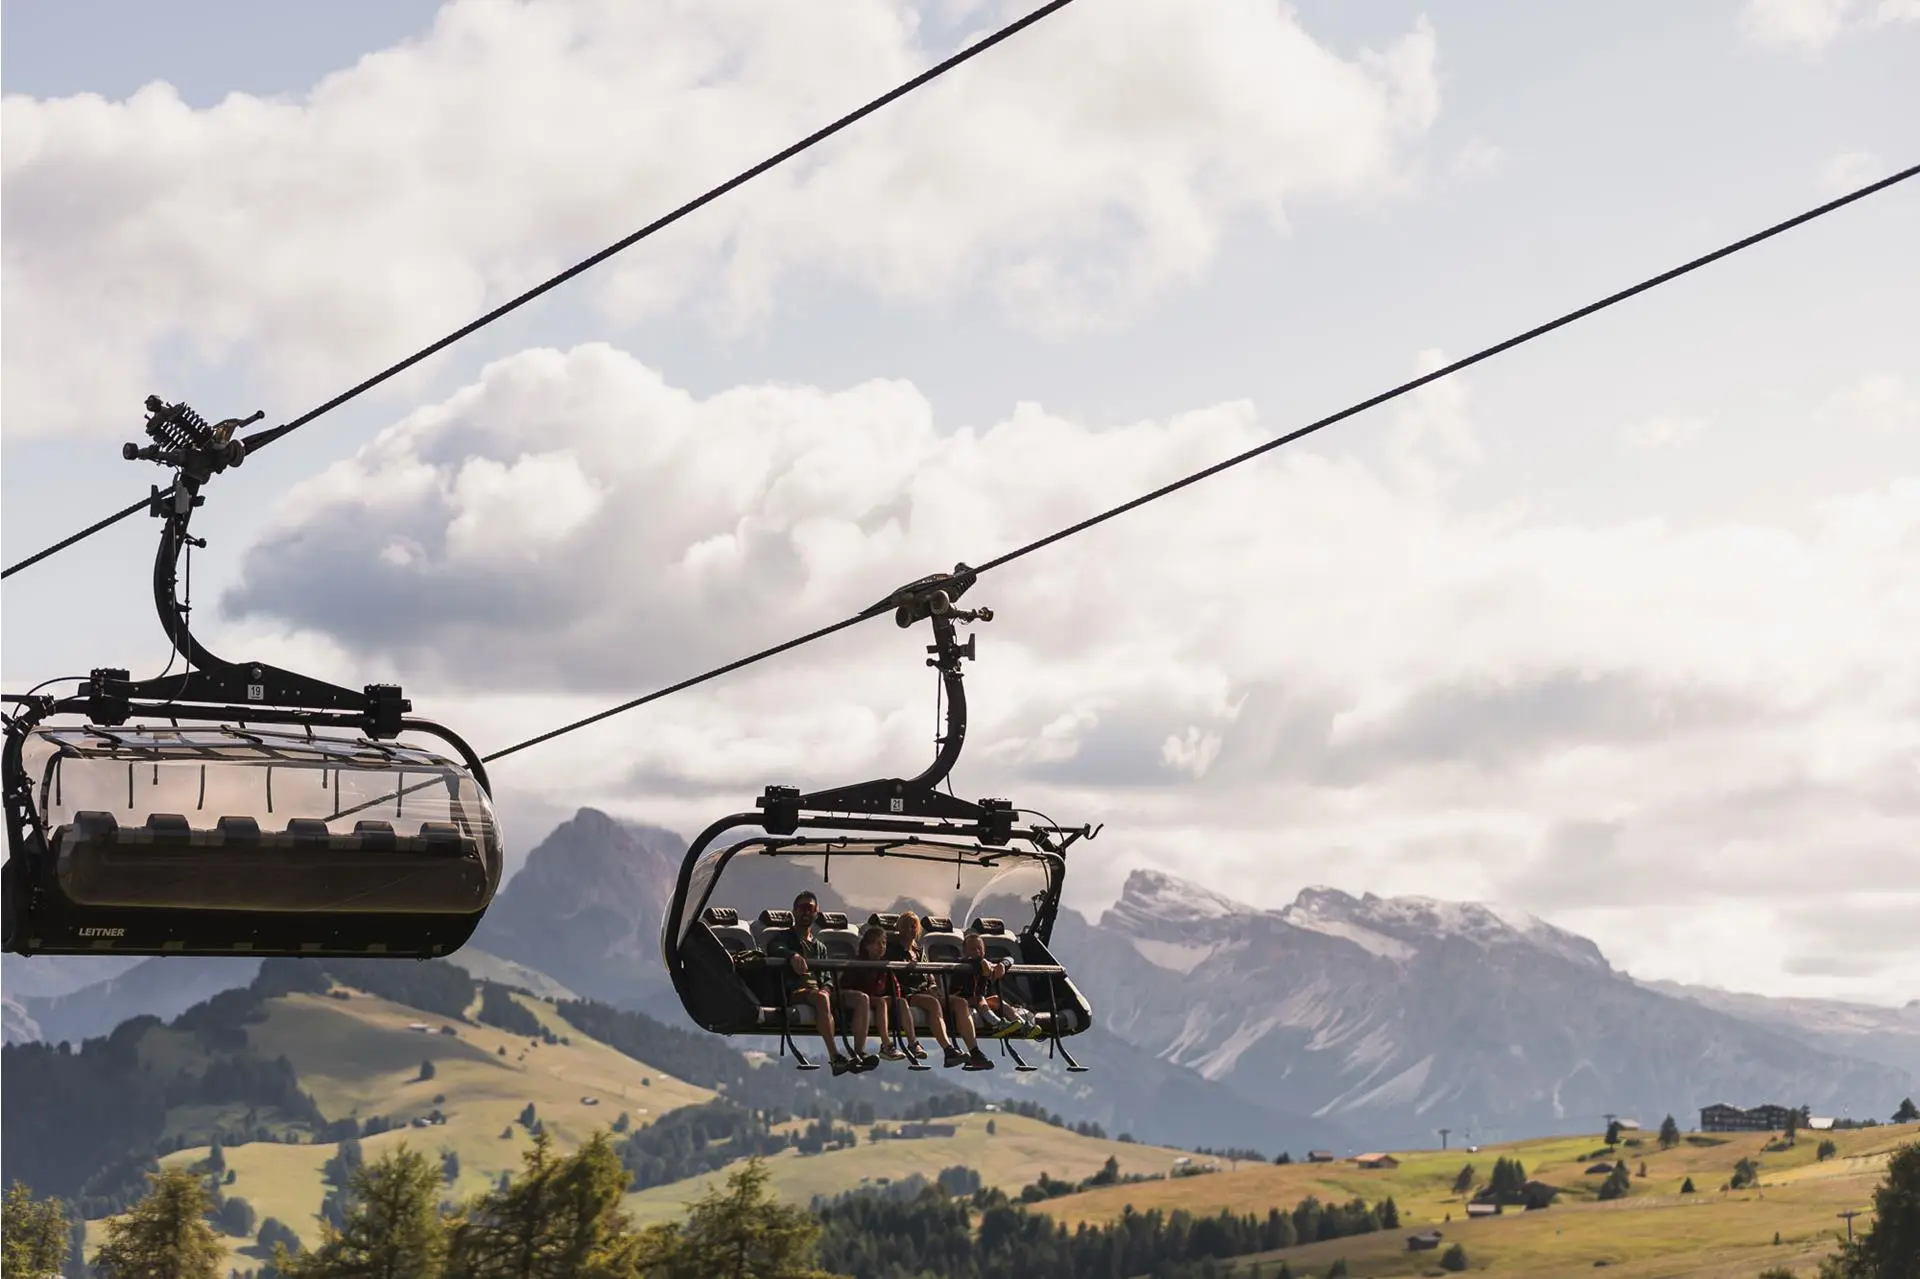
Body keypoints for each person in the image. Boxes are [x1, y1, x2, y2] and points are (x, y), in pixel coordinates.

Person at [763, 891, 871, 1075]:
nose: (806, 912)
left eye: (810, 909)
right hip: (796, 991)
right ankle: (835, 1057)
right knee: (821, 998)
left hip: (819, 991)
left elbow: (827, 975)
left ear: (816, 913)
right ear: (795, 912)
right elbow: (774, 947)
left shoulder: (820, 947)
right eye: (802, 908)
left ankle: (859, 1053)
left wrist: (827, 988)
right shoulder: (784, 938)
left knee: (862, 999)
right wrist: (792, 956)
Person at [886, 911, 970, 1069]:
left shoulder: (919, 952)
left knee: (959, 1002)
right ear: (900, 928)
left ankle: (973, 1051)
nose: (911, 930)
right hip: (908, 993)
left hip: (925, 991)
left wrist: (933, 987)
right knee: (932, 1003)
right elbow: (892, 978)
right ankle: (948, 1050)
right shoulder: (892, 951)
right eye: (907, 926)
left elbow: (928, 974)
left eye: (914, 927)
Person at [837, 925, 913, 1065]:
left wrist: (893, 999)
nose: (881, 947)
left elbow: (895, 987)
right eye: (877, 943)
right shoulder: (858, 963)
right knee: (880, 1002)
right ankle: (886, 1045)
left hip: (876, 999)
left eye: (883, 943)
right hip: (859, 998)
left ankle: (913, 1044)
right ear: (867, 946)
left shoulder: (884, 965)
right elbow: (848, 986)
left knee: (901, 1001)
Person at [944, 933, 1010, 1066]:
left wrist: (1003, 964)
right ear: (965, 951)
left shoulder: (984, 964)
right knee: (978, 998)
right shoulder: (962, 964)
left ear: (984, 950)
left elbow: (1010, 958)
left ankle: (1020, 1023)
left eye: (979, 949)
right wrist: (983, 963)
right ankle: (996, 1022)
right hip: (960, 1000)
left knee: (996, 999)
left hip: (978, 999)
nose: (977, 952)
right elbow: (975, 989)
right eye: (972, 949)